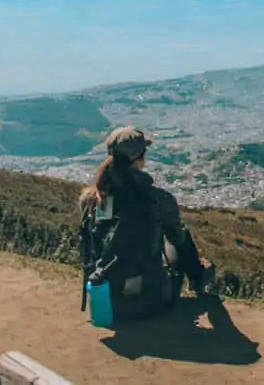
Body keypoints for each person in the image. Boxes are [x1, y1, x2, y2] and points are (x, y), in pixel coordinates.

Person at [79, 126, 215, 322]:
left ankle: (196, 275)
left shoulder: (91, 199)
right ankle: (198, 277)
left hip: (104, 299)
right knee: (176, 236)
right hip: (149, 300)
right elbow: (177, 237)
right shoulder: (158, 199)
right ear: (140, 157)